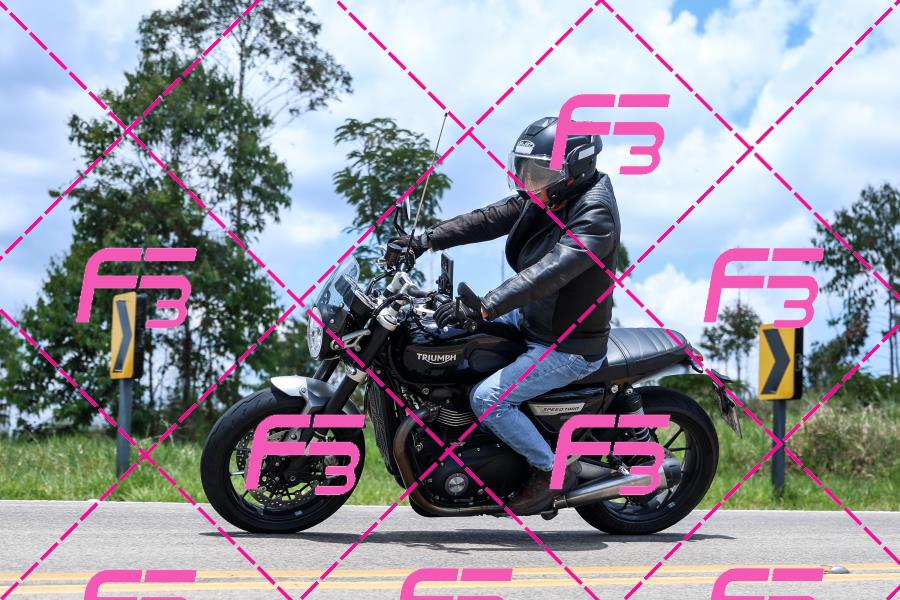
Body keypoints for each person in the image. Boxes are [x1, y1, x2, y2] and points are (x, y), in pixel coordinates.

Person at [392, 116, 621, 515]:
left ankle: (550, 471)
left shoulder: (594, 214)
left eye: (538, 173)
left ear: (574, 170)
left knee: (488, 398)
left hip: (567, 344)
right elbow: (490, 217)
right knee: (444, 334)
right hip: (535, 320)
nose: (528, 182)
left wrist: (485, 305)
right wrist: (426, 239)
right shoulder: (549, 196)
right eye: (524, 170)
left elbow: (551, 271)